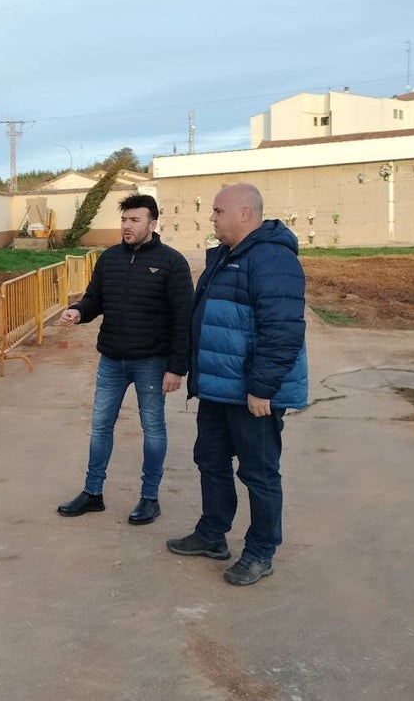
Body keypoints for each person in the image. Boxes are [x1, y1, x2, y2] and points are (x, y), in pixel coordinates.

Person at [166, 183, 308, 586]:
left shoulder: (272, 259)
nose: (211, 217)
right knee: (209, 461)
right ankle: (212, 534)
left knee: (259, 474)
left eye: (217, 210)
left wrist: (263, 388)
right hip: (217, 387)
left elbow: (281, 330)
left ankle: (261, 552)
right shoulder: (226, 256)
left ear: (245, 213)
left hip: (252, 395)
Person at [56, 193, 192, 525]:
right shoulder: (110, 259)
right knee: (100, 427)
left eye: (134, 220)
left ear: (152, 223)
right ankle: (93, 493)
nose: (127, 226)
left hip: (152, 362)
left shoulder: (172, 262)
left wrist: (177, 367)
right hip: (112, 360)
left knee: (153, 429)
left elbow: (184, 319)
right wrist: (78, 311)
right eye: (124, 220)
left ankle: (150, 498)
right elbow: (95, 299)